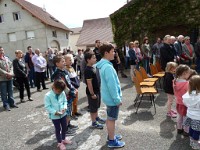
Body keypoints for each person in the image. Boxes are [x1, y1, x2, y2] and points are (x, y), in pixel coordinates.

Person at [96, 42, 125, 148]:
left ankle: (111, 136)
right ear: (106, 53)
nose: (114, 53)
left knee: (110, 118)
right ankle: (112, 141)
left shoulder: (105, 65)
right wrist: (117, 99)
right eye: (113, 51)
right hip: (112, 99)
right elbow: (112, 85)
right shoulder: (107, 67)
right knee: (112, 119)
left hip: (108, 98)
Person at [51, 55, 78, 136]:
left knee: (68, 112)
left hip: (69, 95)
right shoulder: (58, 74)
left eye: (64, 61)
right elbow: (63, 86)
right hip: (64, 97)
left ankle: (68, 125)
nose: (64, 63)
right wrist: (71, 92)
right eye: (62, 62)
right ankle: (65, 129)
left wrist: (73, 89)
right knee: (65, 113)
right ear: (57, 64)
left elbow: (68, 82)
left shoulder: (64, 71)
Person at [44, 80, 72, 150]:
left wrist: (64, 108)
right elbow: (48, 106)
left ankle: (64, 139)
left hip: (63, 114)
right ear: (54, 87)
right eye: (58, 91)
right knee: (58, 129)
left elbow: (65, 101)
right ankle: (60, 143)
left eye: (61, 91)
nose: (60, 93)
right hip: (55, 116)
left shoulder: (62, 92)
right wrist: (55, 112)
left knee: (64, 127)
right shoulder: (48, 95)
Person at [84, 51, 105, 129]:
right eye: (93, 58)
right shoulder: (88, 70)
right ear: (88, 60)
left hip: (97, 90)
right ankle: (94, 122)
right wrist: (92, 94)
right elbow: (89, 83)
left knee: (96, 106)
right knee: (93, 108)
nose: (95, 59)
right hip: (92, 93)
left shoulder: (93, 67)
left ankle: (97, 118)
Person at [183, 75, 200, 150]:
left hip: (190, 115)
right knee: (197, 131)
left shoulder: (187, 95)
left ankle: (192, 141)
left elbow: (185, 103)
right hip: (198, 117)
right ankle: (195, 145)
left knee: (191, 128)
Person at [173, 64, 191, 136]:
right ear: (184, 73)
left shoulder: (174, 81)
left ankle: (179, 128)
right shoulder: (187, 83)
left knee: (179, 116)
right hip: (185, 103)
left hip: (178, 102)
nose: (189, 74)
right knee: (186, 117)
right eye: (188, 73)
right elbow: (189, 94)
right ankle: (186, 131)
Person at [0, 46, 18, 111]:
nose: (1, 52)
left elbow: (11, 66)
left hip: (10, 77)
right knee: (4, 93)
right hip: (2, 79)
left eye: (2, 50)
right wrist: (7, 74)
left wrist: (11, 73)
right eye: (0, 50)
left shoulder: (6, 58)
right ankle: (6, 105)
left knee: (10, 91)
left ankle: (12, 103)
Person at [64, 54, 82, 118]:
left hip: (75, 87)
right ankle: (72, 114)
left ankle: (75, 111)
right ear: (65, 61)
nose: (71, 61)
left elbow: (75, 76)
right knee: (71, 101)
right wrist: (73, 86)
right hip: (72, 88)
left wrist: (78, 82)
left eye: (71, 59)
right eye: (69, 60)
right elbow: (68, 80)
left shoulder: (71, 67)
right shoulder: (65, 69)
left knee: (76, 100)